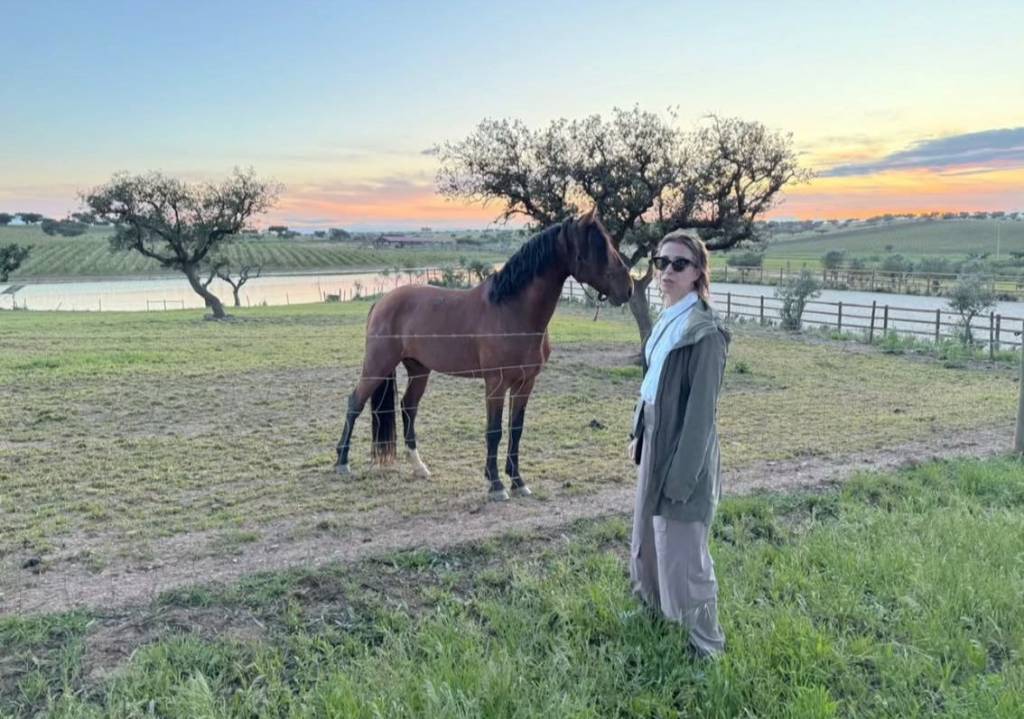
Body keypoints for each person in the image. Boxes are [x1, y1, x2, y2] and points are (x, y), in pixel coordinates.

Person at [628, 229, 730, 658]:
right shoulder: (667, 318)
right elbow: (654, 383)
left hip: (682, 445)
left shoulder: (706, 333)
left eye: (679, 264)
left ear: (697, 273)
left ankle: (705, 645)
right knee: (647, 536)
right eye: (661, 261)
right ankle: (653, 612)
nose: (667, 270)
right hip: (654, 434)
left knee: (682, 545)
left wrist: (683, 478)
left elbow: (700, 415)